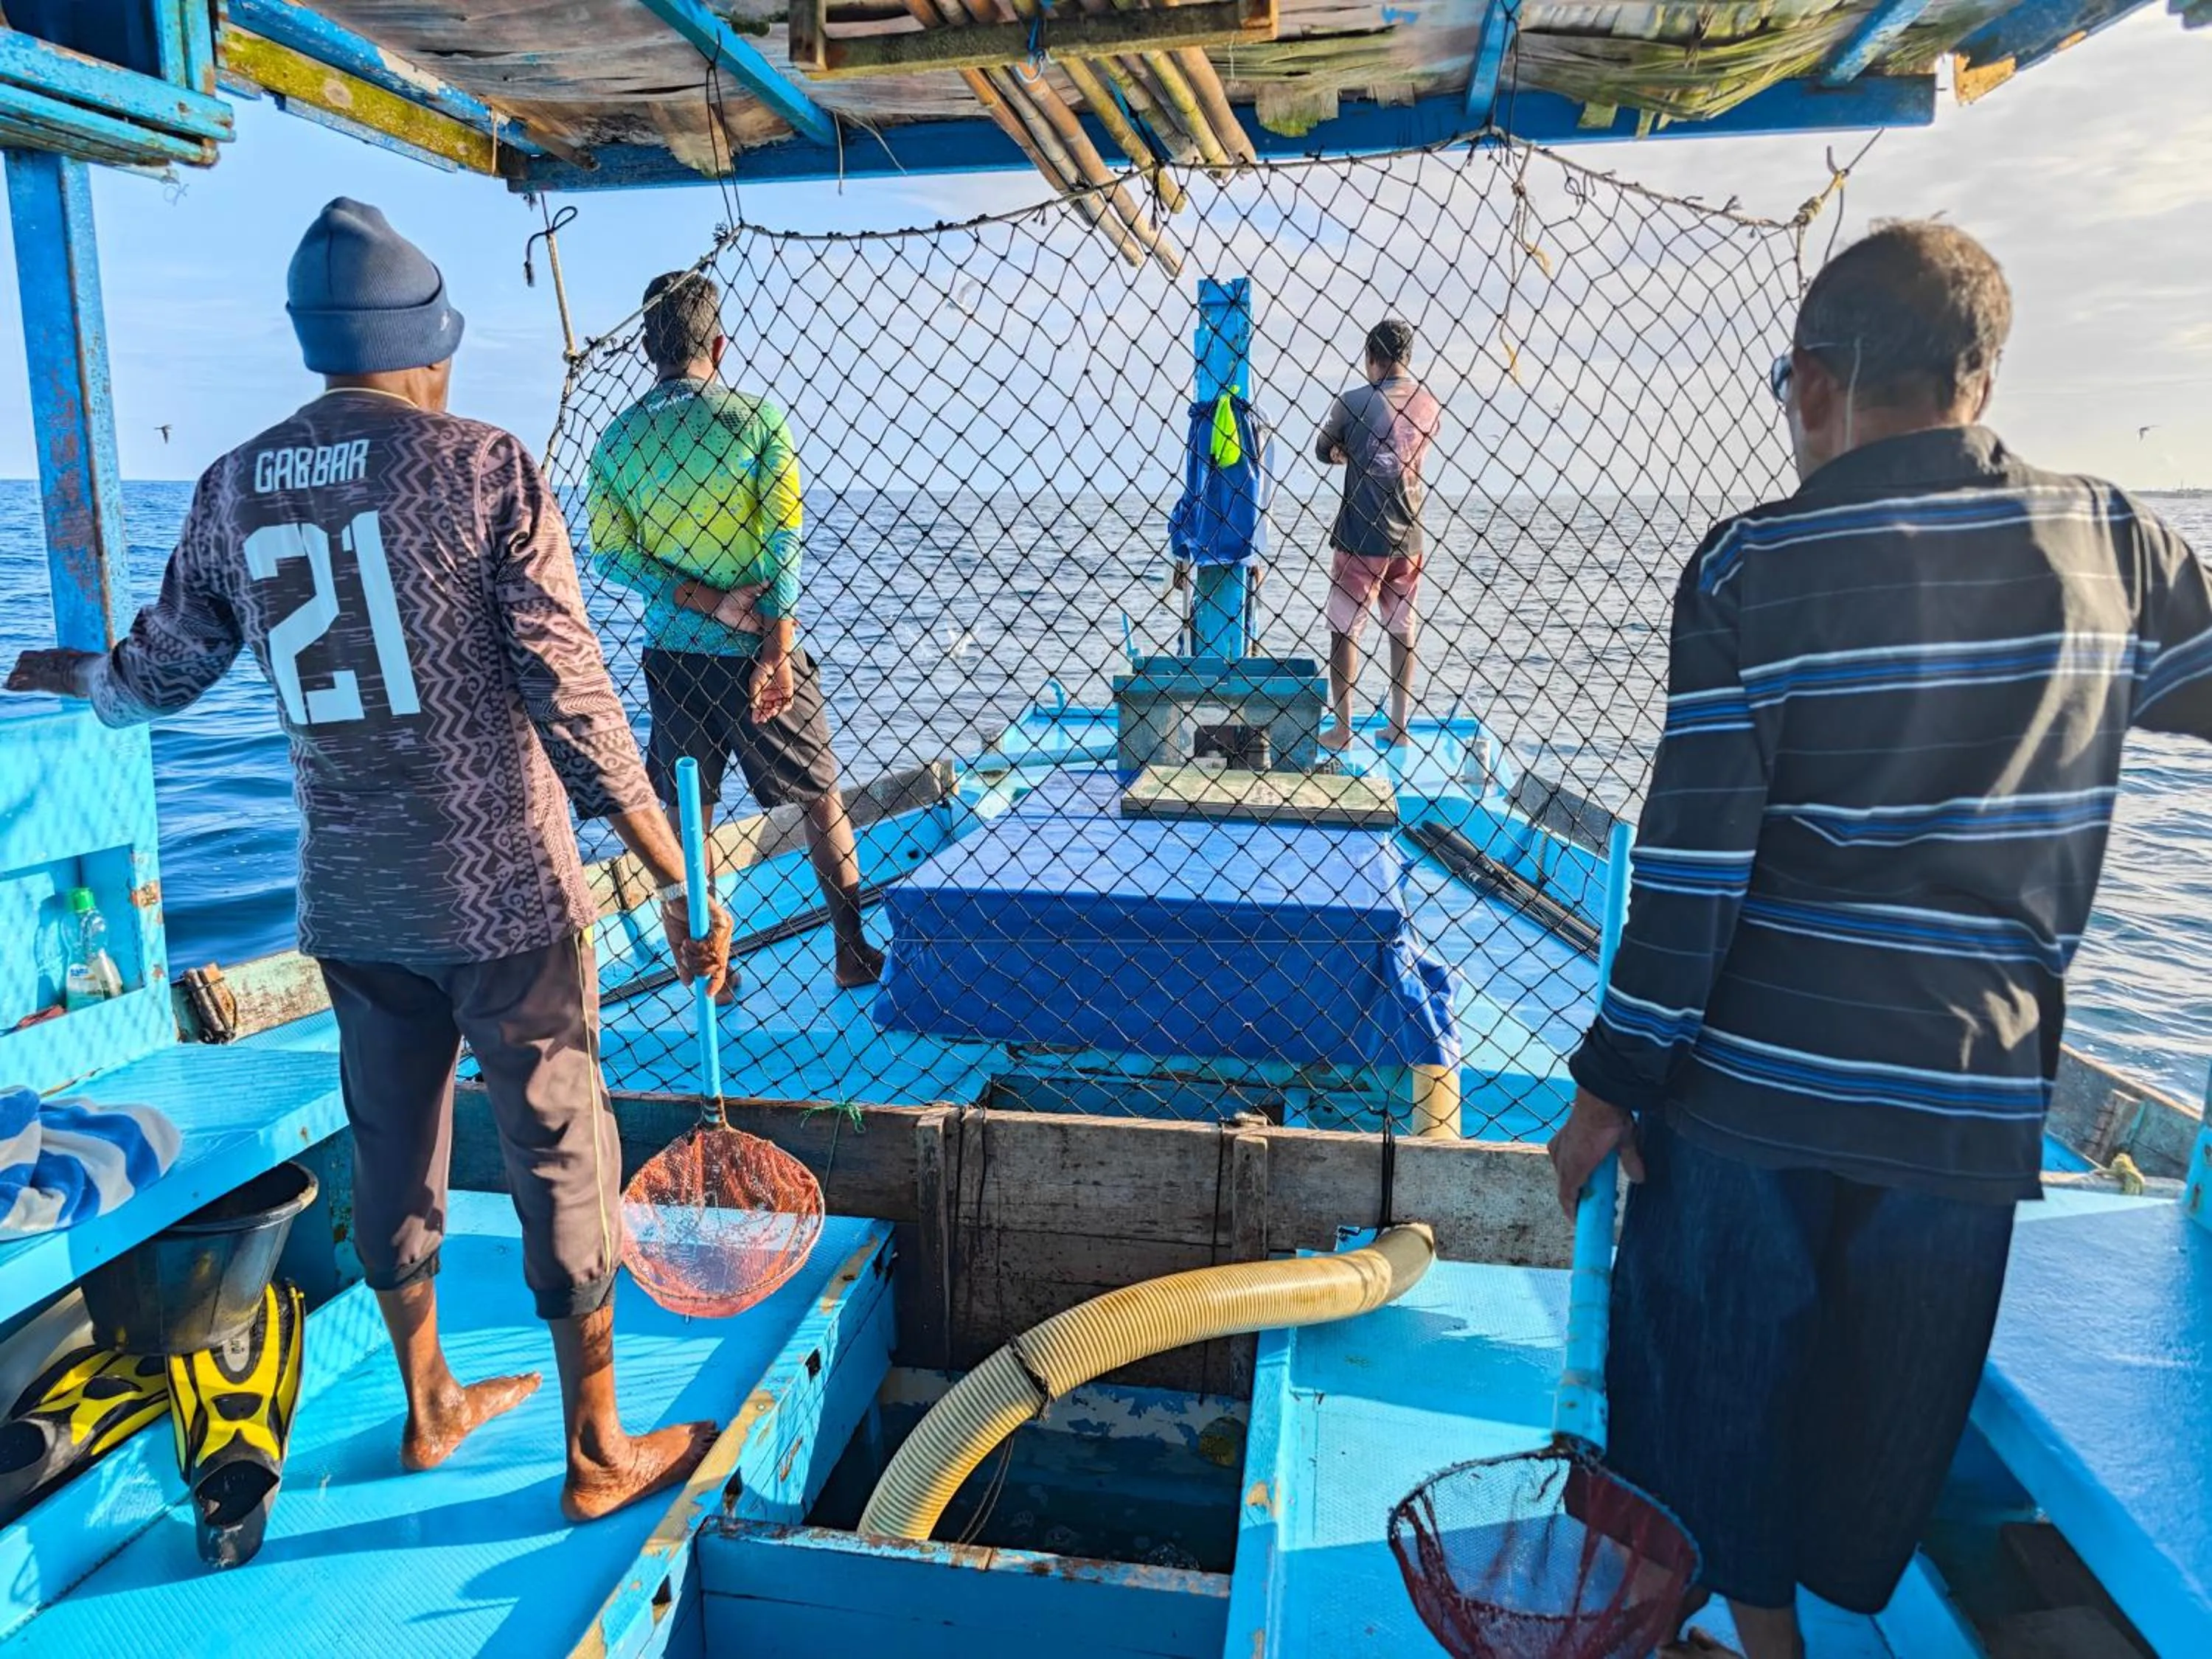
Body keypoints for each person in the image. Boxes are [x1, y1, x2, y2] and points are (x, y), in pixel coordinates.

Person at [7, 199, 737, 1524]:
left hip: (350, 901)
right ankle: (596, 1454)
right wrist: (675, 868)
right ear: (424, 346)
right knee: (560, 1148)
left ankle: (430, 1408)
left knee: (394, 1145)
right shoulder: (484, 468)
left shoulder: (230, 485)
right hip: (503, 892)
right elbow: (570, 697)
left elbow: (161, 674)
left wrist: (74, 674)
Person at [1548, 221, 2212, 1658]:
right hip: (1968, 1111)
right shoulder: (2120, 545)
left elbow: (1697, 855)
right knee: (1879, 1405)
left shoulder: (1751, 569)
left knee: (1714, 1371)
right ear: (1982, 376)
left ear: (1815, 381)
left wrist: (1617, 1081)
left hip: (1753, 1093)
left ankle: (1753, 1638)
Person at [586, 272, 883, 990]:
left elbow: (609, 553)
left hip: (673, 654)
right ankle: (850, 953)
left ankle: (714, 974)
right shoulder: (756, 422)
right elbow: (786, 538)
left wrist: (700, 598)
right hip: (759, 654)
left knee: (694, 809)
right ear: (718, 344)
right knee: (820, 798)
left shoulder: (618, 439)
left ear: (646, 349)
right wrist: (776, 647)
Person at [1314, 319, 1443, 749]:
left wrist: (1346, 451)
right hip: (1409, 537)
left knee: (1344, 630)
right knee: (1403, 628)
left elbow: (1322, 449)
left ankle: (1343, 730)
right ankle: (1400, 726)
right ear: (1406, 358)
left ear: (1373, 358)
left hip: (1359, 538)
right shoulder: (1429, 405)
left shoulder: (1352, 402)